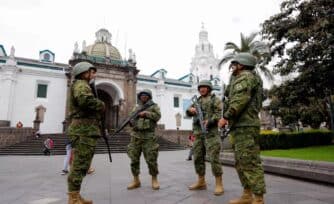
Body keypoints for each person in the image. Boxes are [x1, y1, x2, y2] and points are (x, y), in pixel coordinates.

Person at [218, 52, 266, 204]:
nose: (232, 67)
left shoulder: (246, 77)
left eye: (235, 64)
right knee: (241, 162)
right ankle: (247, 194)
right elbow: (231, 95)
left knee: (250, 161)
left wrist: (226, 116)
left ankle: (258, 198)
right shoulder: (238, 78)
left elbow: (240, 99)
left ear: (242, 65)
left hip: (246, 125)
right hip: (239, 126)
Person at [66, 61, 105, 204]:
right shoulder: (81, 85)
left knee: (82, 165)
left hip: (85, 131)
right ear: (84, 72)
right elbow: (85, 100)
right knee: (79, 165)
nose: (94, 74)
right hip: (83, 131)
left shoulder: (82, 85)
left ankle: (75, 194)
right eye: (92, 72)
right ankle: (73, 198)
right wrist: (101, 105)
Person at [186, 80, 224, 196]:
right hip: (198, 134)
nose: (202, 89)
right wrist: (190, 110)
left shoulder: (214, 100)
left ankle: (219, 184)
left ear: (209, 88)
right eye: (200, 87)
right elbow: (187, 113)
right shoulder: (196, 101)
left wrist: (210, 120)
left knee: (214, 159)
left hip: (211, 134)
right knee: (197, 158)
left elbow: (219, 114)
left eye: (204, 87)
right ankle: (201, 181)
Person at [127, 89, 161, 190]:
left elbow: (158, 116)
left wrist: (147, 114)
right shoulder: (136, 107)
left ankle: (154, 179)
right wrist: (131, 121)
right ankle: (136, 179)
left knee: (151, 159)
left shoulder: (154, 106)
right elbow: (131, 118)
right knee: (134, 159)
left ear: (149, 96)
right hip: (136, 136)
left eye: (146, 95)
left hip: (148, 136)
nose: (144, 96)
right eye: (142, 95)